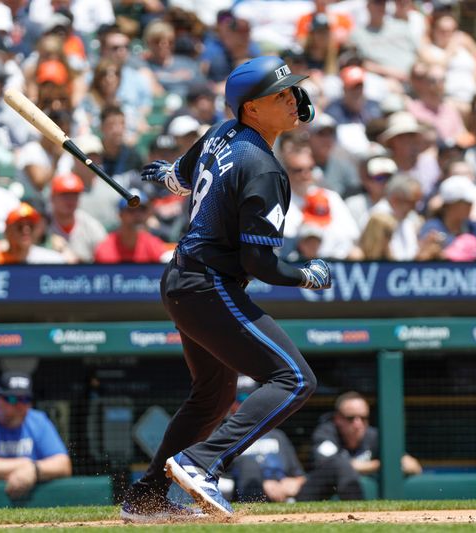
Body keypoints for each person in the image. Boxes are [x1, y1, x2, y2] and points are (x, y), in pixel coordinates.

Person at [120, 56, 327, 522]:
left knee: (212, 394)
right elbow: (260, 263)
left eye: (293, 90)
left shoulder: (221, 132)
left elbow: (182, 176)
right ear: (251, 110)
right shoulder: (266, 170)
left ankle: (147, 498)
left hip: (180, 282)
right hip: (207, 285)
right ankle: (200, 462)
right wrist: (305, 274)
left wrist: (166, 176)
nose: (294, 99)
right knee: (294, 379)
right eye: (281, 95)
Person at [298, 391, 422, 501]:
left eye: (363, 418)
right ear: (338, 419)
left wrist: (392, 464)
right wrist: (383, 465)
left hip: (350, 490)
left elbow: (414, 466)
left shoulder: (373, 436)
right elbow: (332, 466)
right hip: (316, 494)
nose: (358, 424)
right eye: (351, 418)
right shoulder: (325, 433)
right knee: (340, 466)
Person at [225, 376, 306, 503]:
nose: (247, 404)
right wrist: (262, 482)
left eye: (251, 398)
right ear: (229, 404)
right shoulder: (221, 435)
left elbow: (299, 475)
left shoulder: (277, 435)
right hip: (245, 494)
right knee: (248, 466)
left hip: (284, 494)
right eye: (241, 399)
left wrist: (294, 482)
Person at [93, 189, 170, 264]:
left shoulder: (153, 244)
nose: (138, 215)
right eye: (131, 210)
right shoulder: (106, 248)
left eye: (142, 209)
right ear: (120, 215)